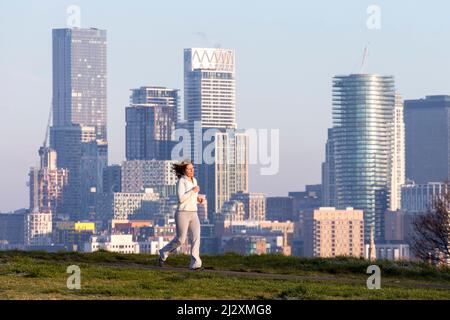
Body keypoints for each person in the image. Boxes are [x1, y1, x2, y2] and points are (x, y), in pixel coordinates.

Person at [157, 160, 204, 271]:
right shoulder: (181, 181)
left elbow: (191, 198)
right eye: (189, 169)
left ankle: (195, 264)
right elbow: (181, 199)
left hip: (194, 213)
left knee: (196, 238)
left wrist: (198, 199)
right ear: (184, 170)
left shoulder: (194, 180)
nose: (191, 170)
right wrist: (193, 190)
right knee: (181, 240)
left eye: (192, 168)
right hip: (182, 213)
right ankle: (163, 253)